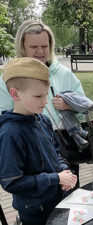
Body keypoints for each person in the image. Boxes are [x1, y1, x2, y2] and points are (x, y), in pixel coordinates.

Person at [0, 20, 85, 189]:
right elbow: (5, 115)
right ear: (22, 47)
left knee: (70, 190)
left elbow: (83, 106)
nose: (40, 52)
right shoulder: (10, 79)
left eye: (44, 46)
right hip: (31, 147)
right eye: (34, 47)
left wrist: (69, 105)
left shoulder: (62, 73)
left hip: (64, 143)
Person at [0, 57, 77, 225]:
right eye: (38, 96)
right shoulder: (10, 134)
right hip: (35, 213)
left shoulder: (43, 120)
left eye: (46, 94)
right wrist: (55, 179)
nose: (45, 101)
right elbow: (11, 181)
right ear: (15, 94)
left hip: (57, 201)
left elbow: (56, 152)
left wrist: (64, 172)